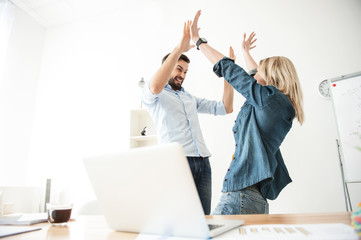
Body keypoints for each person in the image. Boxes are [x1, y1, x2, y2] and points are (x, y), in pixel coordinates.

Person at [190, 10, 304, 214]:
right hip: (256, 200)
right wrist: (245, 53)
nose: (255, 73)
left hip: (239, 197)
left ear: (271, 77)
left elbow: (232, 71)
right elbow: (255, 77)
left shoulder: (269, 99)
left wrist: (198, 41)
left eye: (261, 71)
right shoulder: (279, 106)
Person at [141, 21, 234, 215]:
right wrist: (179, 48)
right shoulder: (153, 94)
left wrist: (229, 74)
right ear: (167, 67)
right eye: (178, 69)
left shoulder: (189, 97)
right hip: (176, 162)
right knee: (178, 217)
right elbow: (156, 86)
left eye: (185, 72)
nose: (182, 75)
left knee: (203, 219)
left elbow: (225, 107)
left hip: (202, 162)